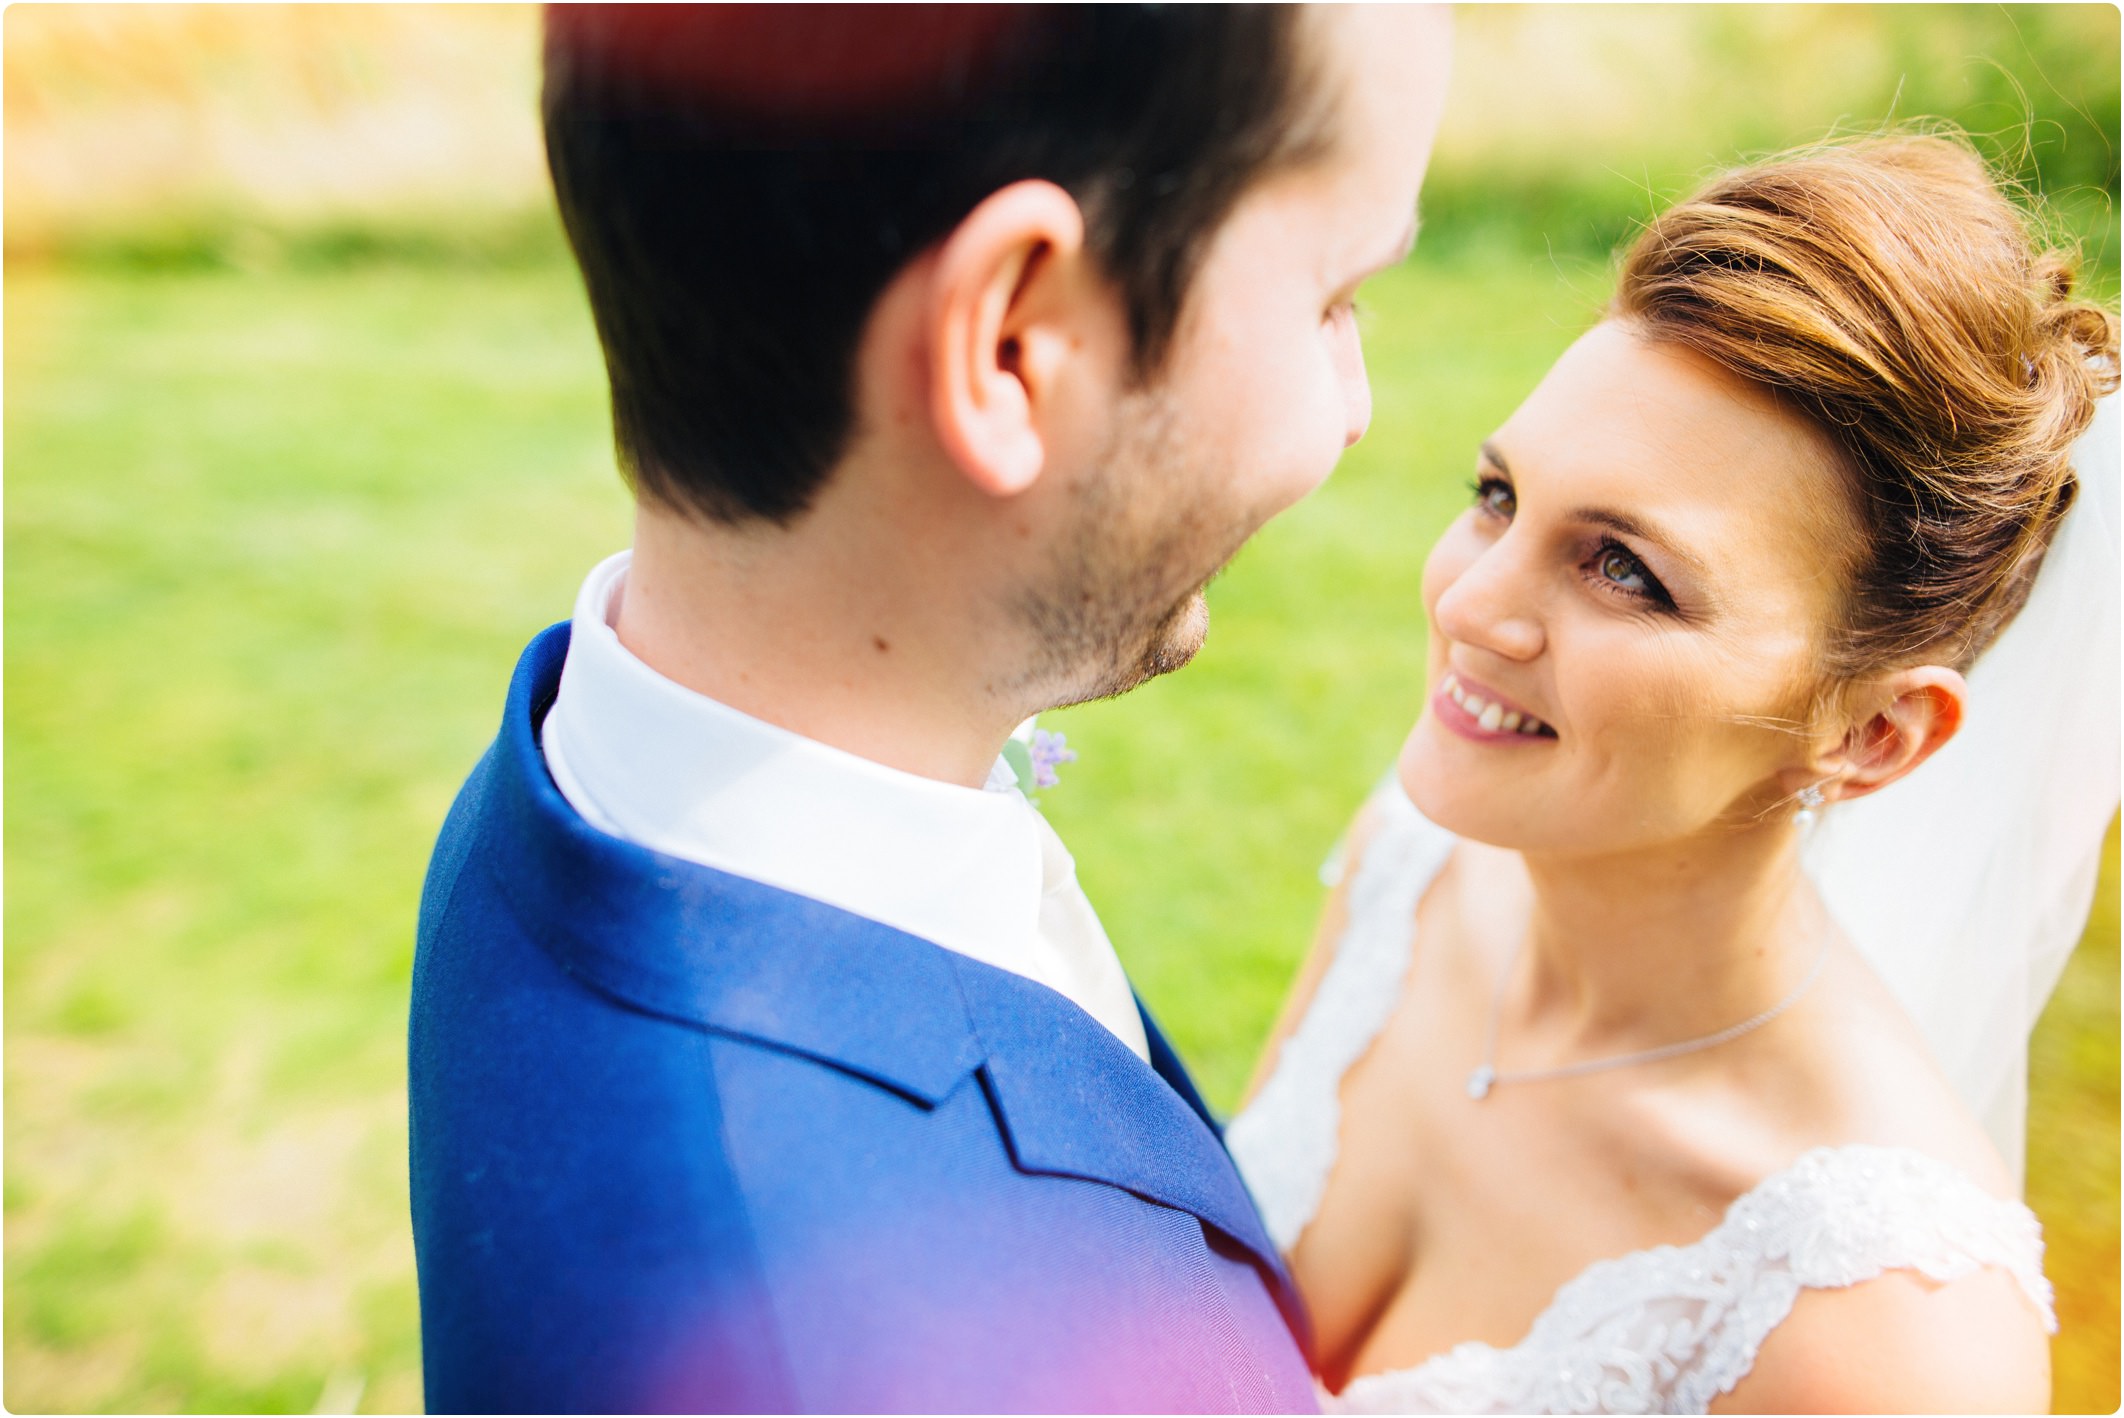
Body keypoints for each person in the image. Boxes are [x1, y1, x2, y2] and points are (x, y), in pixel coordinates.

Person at [409, 4, 1450, 1410]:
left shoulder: (579, 777)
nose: (1356, 405)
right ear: (1014, 341)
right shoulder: (868, 1357)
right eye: (1333, 297)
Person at [1228, 132, 2119, 1413]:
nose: (1476, 604)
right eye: (1497, 494)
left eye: (1626, 570)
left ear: (1877, 734)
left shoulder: (1893, 1329)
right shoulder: (1414, 865)